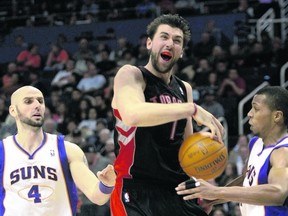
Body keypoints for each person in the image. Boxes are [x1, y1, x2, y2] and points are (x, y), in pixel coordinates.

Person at [111, 14, 224, 216]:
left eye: (177, 40)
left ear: (181, 52)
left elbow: (187, 146)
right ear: (149, 43)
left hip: (176, 188)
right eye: (164, 37)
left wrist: (202, 185)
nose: (170, 43)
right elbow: (132, 114)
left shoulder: (184, 89)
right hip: (136, 188)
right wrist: (192, 109)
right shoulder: (131, 75)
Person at [0, 86, 116, 216]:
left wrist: (107, 184)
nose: (37, 105)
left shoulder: (68, 150)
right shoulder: (2, 152)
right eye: (28, 101)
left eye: (40, 101)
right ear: (13, 110)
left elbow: (97, 197)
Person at [176, 86, 288, 216]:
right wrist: (211, 199)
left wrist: (216, 192)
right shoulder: (256, 143)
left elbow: (278, 192)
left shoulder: (283, 151)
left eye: (256, 109)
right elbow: (247, 181)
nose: (249, 113)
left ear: (277, 116)